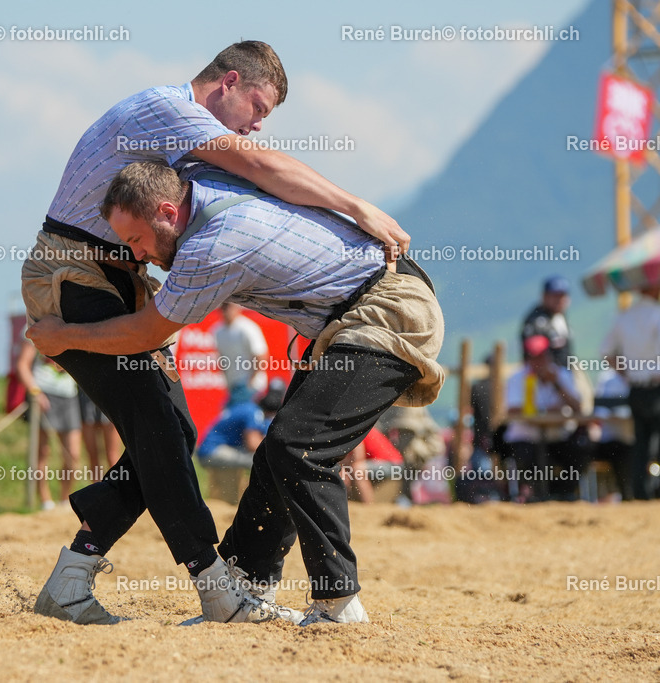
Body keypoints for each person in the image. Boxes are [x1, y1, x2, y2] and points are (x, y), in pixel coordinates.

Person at [22, 41, 410, 626]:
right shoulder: (168, 108)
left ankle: (72, 577)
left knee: (173, 428)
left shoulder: (185, 143)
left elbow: (258, 184)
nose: (257, 125)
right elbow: (262, 169)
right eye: (258, 106)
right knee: (158, 424)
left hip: (113, 277)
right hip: (73, 273)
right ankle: (215, 586)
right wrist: (358, 208)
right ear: (227, 81)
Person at [501, 335, 588, 502]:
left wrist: (557, 385)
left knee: (579, 449)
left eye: (542, 356)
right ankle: (536, 495)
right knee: (529, 457)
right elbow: (512, 409)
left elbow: (578, 406)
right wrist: (545, 410)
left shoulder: (561, 374)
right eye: (534, 357)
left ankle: (563, 494)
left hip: (557, 437)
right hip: (526, 439)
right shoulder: (518, 377)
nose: (539, 362)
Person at [601, 283, 660, 500]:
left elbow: (605, 352)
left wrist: (627, 373)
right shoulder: (657, 315)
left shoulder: (624, 318)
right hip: (656, 388)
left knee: (641, 442)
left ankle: (640, 492)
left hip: (635, 389)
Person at [15, 337, 81, 511]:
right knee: (42, 452)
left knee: (73, 454)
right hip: (43, 393)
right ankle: (45, 502)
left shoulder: (70, 320)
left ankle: (64, 500)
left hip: (69, 395)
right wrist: (35, 392)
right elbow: (22, 364)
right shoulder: (32, 324)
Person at [198, 380, 283, 469]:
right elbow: (253, 444)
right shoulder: (253, 412)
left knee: (261, 458)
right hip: (212, 451)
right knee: (261, 460)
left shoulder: (249, 407)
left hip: (211, 449)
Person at [211, 302, 268, 405]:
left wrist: (251, 382)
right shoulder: (217, 331)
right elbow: (222, 358)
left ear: (237, 308)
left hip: (251, 387)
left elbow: (260, 355)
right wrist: (227, 383)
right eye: (223, 307)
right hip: (234, 386)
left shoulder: (247, 328)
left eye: (228, 307)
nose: (226, 311)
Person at [591, 368, 634, 502]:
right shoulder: (606, 377)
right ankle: (624, 495)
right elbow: (598, 409)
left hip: (633, 439)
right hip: (611, 439)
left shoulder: (642, 376)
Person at [521, 276, 573, 366]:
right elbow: (534, 355)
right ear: (544, 296)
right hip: (542, 376)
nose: (559, 301)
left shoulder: (559, 316)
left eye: (562, 296)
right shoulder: (537, 321)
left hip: (564, 372)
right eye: (555, 296)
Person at [77, 388, 121, 476]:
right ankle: (96, 486)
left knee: (112, 455)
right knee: (93, 456)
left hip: (109, 394)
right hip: (86, 396)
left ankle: (119, 486)